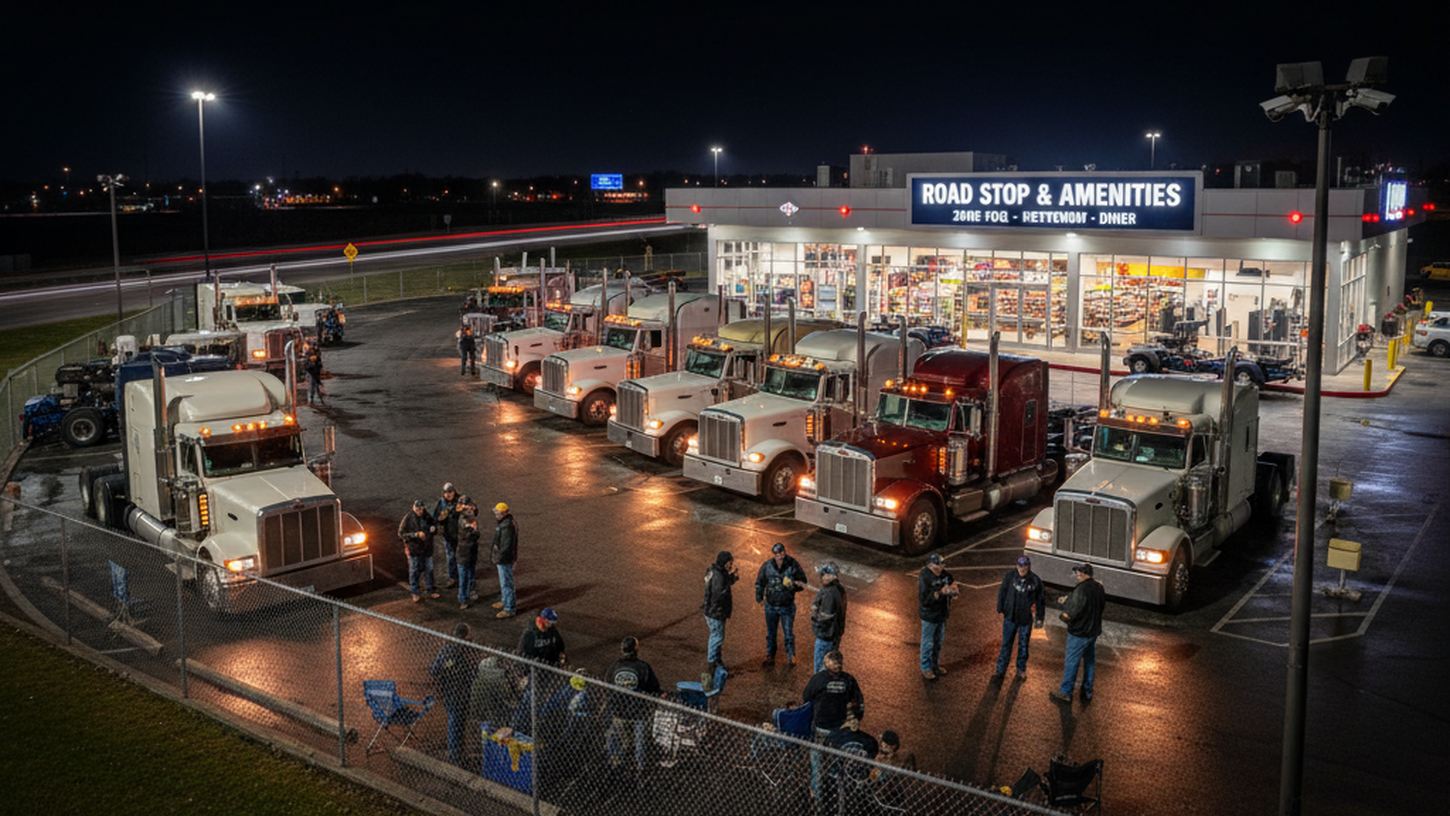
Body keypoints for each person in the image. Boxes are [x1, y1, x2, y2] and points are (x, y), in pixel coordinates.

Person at [803, 650, 864, 799]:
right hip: (840, 728)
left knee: (816, 758)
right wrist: (856, 719)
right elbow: (859, 702)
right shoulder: (849, 680)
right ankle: (835, 783)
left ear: (826, 664)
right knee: (837, 757)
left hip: (820, 727)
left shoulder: (818, 679)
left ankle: (816, 791)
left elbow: (806, 697)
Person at [1051, 563, 1107, 705]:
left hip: (1079, 633)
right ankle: (1087, 691)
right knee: (1089, 661)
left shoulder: (1081, 590)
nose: (1076, 575)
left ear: (1082, 574)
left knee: (1072, 661)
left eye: (1077, 572)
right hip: (1092, 632)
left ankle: (1065, 692)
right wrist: (1069, 600)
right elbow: (1099, 606)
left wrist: (1063, 615)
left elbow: (1072, 612)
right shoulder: (1099, 587)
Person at [604, 636, 661, 772]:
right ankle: (640, 769)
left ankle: (615, 766)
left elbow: (607, 686)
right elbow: (654, 688)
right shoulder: (643, 667)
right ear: (636, 649)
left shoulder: (614, 667)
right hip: (638, 713)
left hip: (619, 712)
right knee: (640, 743)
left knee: (617, 740)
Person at [429, 623, 478, 766]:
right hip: (459, 692)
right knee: (456, 723)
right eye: (469, 634)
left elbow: (434, 669)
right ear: (464, 636)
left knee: (456, 721)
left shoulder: (447, 649)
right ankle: (455, 756)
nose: (471, 636)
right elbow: (470, 674)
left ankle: (457, 752)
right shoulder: (462, 652)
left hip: (449, 691)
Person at [755, 542, 807, 668]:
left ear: (784, 551)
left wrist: (792, 586)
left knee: (788, 633)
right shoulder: (767, 566)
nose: (780, 555)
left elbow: (803, 582)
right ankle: (770, 655)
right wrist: (759, 598)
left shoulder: (793, 564)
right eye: (777, 553)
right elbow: (760, 582)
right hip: (771, 606)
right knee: (771, 633)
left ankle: (791, 656)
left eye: (781, 552)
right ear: (774, 554)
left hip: (787, 606)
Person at [994, 554, 1046, 680]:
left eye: (1025, 566)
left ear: (1029, 567)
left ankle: (1021, 670)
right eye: (1020, 566)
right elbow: (1002, 592)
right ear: (1016, 566)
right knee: (1006, 644)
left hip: (1025, 619)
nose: (1022, 569)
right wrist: (1000, 607)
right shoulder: (1009, 577)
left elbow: (1040, 600)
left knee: (1023, 646)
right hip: (1010, 617)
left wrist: (1040, 617)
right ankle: (1000, 670)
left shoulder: (1035, 580)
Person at [821, 712, 879, 814]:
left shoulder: (867, 740)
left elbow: (873, 757)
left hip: (856, 778)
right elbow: (826, 754)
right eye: (850, 720)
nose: (853, 722)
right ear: (845, 722)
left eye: (855, 719)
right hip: (838, 776)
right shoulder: (835, 736)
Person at [917, 553, 960, 681]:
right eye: (938, 565)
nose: (941, 568)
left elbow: (953, 584)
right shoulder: (925, 577)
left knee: (938, 642)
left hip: (942, 615)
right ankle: (926, 668)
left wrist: (954, 590)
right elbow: (925, 600)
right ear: (931, 565)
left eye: (942, 565)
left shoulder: (945, 575)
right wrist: (941, 592)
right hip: (929, 616)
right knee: (928, 643)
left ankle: (935, 665)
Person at [397, 500, 439, 602]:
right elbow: (401, 533)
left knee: (429, 569)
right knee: (414, 571)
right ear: (413, 508)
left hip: (427, 548)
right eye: (417, 509)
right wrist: (415, 534)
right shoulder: (408, 518)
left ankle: (430, 590)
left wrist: (434, 529)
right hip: (414, 549)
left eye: (421, 509)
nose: (419, 511)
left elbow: (434, 526)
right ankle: (415, 593)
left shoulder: (427, 516)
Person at [702, 550, 738, 669]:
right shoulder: (719, 575)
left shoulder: (714, 571)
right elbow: (719, 593)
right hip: (716, 612)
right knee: (717, 637)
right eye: (729, 562)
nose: (731, 565)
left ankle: (717, 661)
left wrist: (731, 577)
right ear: (724, 562)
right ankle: (712, 664)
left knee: (716, 637)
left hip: (711, 611)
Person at [810, 562, 847, 673]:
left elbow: (825, 617)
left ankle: (819, 689)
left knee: (820, 670)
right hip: (835, 635)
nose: (822, 577)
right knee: (830, 669)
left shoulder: (829, 593)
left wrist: (814, 615)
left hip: (826, 637)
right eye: (822, 575)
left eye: (824, 574)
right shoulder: (839, 589)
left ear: (832, 576)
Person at [434, 483, 465, 589]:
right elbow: (436, 516)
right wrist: (440, 519)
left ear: (454, 491)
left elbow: (473, 512)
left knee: (462, 556)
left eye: (450, 492)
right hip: (448, 535)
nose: (448, 494)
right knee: (451, 556)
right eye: (446, 492)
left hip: (461, 534)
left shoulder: (461, 500)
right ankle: (453, 578)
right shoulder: (441, 502)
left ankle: (464, 576)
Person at [491, 502, 518, 618]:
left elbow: (506, 547)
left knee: (506, 583)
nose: (495, 514)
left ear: (503, 513)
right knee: (505, 582)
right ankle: (505, 600)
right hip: (505, 558)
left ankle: (509, 608)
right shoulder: (506, 523)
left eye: (497, 513)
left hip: (504, 560)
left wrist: (498, 558)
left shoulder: (506, 526)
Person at [456, 511, 481, 610]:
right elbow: (472, 536)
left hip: (470, 557)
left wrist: (474, 529)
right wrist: (473, 529)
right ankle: (463, 600)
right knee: (463, 579)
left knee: (470, 577)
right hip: (463, 558)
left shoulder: (469, 530)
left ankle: (471, 592)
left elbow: (477, 535)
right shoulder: (464, 532)